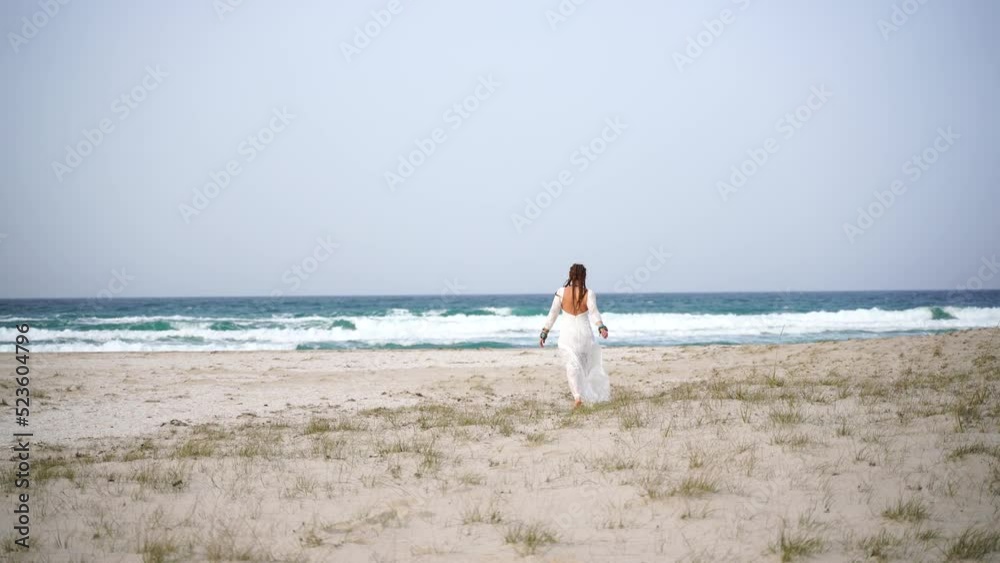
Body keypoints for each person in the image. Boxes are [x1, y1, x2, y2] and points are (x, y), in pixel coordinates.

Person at [539, 263, 611, 408]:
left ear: (570, 276)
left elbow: (552, 314)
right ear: (584, 276)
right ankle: (586, 396)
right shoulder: (588, 293)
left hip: (567, 336)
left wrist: (544, 332)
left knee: (571, 367)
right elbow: (594, 313)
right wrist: (601, 327)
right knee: (585, 368)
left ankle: (577, 397)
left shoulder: (561, 292)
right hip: (585, 335)